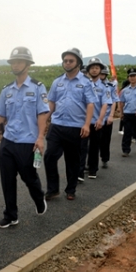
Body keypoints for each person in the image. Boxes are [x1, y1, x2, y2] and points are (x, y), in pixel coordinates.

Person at [0, 47, 50, 229]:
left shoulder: (37, 87)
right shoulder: (6, 90)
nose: (15, 65)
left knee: (29, 178)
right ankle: (10, 215)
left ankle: (39, 198)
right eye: (13, 62)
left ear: (27, 64)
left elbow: (42, 114)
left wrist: (40, 137)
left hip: (28, 141)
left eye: (19, 61)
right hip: (8, 141)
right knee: (7, 180)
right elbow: (0, 116)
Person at [44, 48, 96, 201]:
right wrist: (44, 120)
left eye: (71, 61)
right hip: (57, 125)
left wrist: (87, 125)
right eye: (65, 60)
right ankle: (53, 189)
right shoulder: (57, 81)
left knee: (72, 161)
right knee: (49, 157)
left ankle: (71, 189)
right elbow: (51, 102)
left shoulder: (86, 82)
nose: (67, 63)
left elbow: (90, 104)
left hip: (76, 127)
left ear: (78, 63)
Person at [79, 58, 111, 180]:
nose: (94, 70)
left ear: (100, 70)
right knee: (81, 147)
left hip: (96, 121)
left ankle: (93, 170)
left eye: (96, 68)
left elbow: (105, 104)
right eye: (92, 68)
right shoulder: (82, 85)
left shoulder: (104, 87)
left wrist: (100, 119)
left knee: (94, 146)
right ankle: (80, 172)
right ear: (88, 70)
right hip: (83, 122)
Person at [98, 67, 119, 168]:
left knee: (105, 140)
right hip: (94, 118)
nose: (101, 75)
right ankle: (90, 163)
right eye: (100, 73)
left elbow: (114, 101)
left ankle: (105, 159)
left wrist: (111, 115)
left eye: (103, 73)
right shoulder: (91, 84)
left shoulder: (110, 86)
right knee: (92, 142)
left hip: (106, 117)